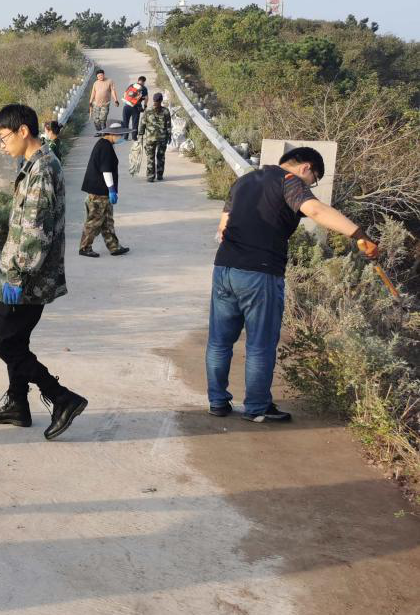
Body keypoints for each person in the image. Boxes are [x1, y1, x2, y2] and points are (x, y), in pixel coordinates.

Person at [207, 147, 379, 422]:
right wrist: (358, 234)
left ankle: (217, 402)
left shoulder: (244, 181)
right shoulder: (290, 182)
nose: (311, 186)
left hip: (224, 268)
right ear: (306, 168)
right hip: (260, 273)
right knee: (260, 344)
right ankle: (257, 408)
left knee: (219, 341)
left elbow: (223, 227)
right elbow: (316, 210)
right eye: (314, 180)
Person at [0, 104, 89, 440]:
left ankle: (61, 398)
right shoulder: (36, 163)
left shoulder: (41, 170)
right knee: (16, 341)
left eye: (4, 137)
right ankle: (17, 404)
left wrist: (14, 278)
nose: (2, 144)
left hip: (26, 280)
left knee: (8, 346)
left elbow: (35, 232)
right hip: (25, 275)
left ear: (23, 131)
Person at [78, 120, 131, 258]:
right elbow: (106, 171)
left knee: (107, 221)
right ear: (113, 134)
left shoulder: (104, 144)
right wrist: (112, 189)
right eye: (120, 135)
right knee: (94, 221)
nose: (122, 137)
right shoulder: (105, 147)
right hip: (99, 191)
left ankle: (114, 247)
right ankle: (84, 247)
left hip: (103, 191)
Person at [138, 91, 173, 182]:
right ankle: (160, 175)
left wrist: (140, 135)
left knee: (150, 157)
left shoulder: (148, 111)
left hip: (150, 138)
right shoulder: (165, 111)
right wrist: (169, 136)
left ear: (153, 100)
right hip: (162, 138)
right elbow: (168, 125)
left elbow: (142, 124)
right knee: (161, 157)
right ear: (161, 100)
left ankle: (150, 176)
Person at [87, 68, 119, 132]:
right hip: (96, 104)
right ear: (97, 77)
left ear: (104, 75)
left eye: (101, 75)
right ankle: (99, 131)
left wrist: (116, 100)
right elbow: (93, 93)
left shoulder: (109, 81)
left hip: (105, 104)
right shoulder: (95, 83)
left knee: (103, 119)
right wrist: (90, 102)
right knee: (96, 119)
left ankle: (104, 131)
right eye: (98, 76)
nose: (100, 77)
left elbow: (113, 91)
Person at [121, 75, 148, 141]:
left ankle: (125, 136)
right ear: (144, 82)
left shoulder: (131, 86)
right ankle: (134, 137)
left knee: (125, 122)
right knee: (135, 123)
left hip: (127, 106)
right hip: (136, 107)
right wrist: (145, 106)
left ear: (138, 80)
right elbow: (146, 98)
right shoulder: (144, 88)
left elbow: (125, 94)